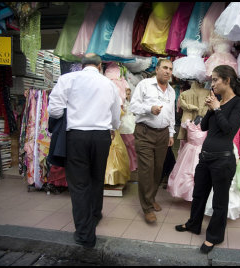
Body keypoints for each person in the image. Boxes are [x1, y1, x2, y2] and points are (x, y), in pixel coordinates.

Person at [47, 53, 121, 248]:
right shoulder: (109, 84)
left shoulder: (68, 79)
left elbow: (54, 109)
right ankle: (95, 215)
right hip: (101, 136)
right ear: (99, 66)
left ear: (82, 65)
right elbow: (115, 115)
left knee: (79, 185)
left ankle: (85, 235)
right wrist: (112, 127)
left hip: (76, 136)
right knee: (96, 178)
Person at [175, 65, 240, 254]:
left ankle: (214, 237)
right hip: (205, 157)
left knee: (219, 201)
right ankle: (193, 224)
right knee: (198, 195)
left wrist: (217, 109)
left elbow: (229, 130)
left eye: (215, 79)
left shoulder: (239, 103)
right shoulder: (219, 102)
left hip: (223, 160)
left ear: (227, 81)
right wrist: (211, 108)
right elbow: (205, 126)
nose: (212, 83)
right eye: (212, 80)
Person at [129, 58, 176, 223]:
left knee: (158, 169)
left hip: (163, 134)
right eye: (164, 67)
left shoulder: (171, 91)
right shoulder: (145, 85)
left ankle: (151, 197)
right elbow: (132, 106)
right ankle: (147, 207)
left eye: (170, 69)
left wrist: (171, 134)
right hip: (145, 132)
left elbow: (171, 115)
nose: (167, 71)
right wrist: (150, 109)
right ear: (157, 69)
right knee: (146, 170)